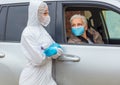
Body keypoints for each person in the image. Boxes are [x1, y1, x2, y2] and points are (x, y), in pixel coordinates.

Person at [19, 0, 63, 85]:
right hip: (32, 79)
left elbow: (57, 49)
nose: (47, 16)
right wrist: (48, 52)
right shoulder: (28, 33)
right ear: (36, 14)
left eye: (47, 13)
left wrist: (51, 51)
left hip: (46, 78)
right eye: (45, 13)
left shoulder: (42, 30)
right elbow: (38, 60)